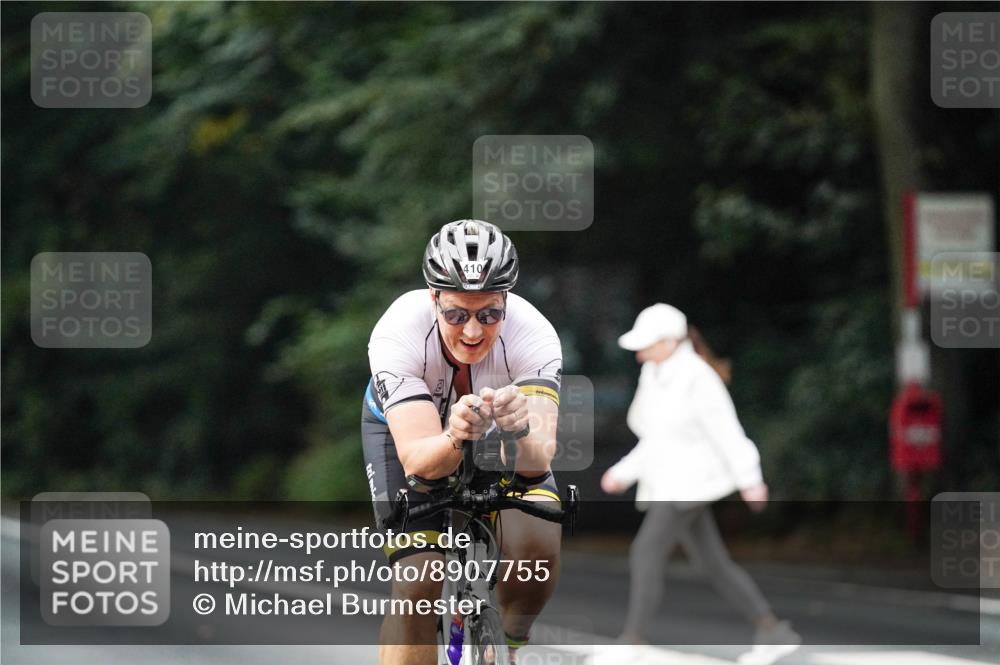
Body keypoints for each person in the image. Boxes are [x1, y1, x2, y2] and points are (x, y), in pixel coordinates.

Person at [362, 219, 564, 665]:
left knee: (539, 539)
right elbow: (419, 460)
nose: (472, 331)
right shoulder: (398, 330)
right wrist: (453, 435)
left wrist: (521, 429)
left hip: (495, 433)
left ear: (506, 302)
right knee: (418, 582)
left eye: (488, 314)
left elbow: (536, 464)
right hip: (417, 434)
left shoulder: (534, 335)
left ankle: (509, 644)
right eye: (456, 314)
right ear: (434, 298)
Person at [600, 303, 801, 665]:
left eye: (647, 343)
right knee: (714, 564)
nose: (639, 352)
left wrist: (750, 479)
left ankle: (633, 640)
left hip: (687, 486)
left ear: (669, 341)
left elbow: (726, 431)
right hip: (669, 483)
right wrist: (624, 472)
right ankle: (771, 629)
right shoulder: (654, 373)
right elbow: (656, 437)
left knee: (645, 552)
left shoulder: (697, 377)